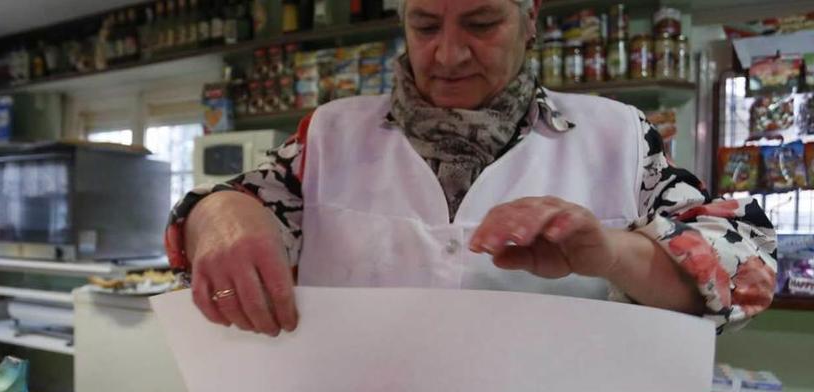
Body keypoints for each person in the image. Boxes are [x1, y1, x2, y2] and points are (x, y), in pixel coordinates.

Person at [166, 0, 777, 337]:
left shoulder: (616, 134)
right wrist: (220, 215)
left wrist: (610, 253)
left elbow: (741, 262)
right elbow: (231, 208)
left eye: (481, 23)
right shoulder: (329, 134)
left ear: (530, 19)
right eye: (425, 25)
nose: (448, 53)